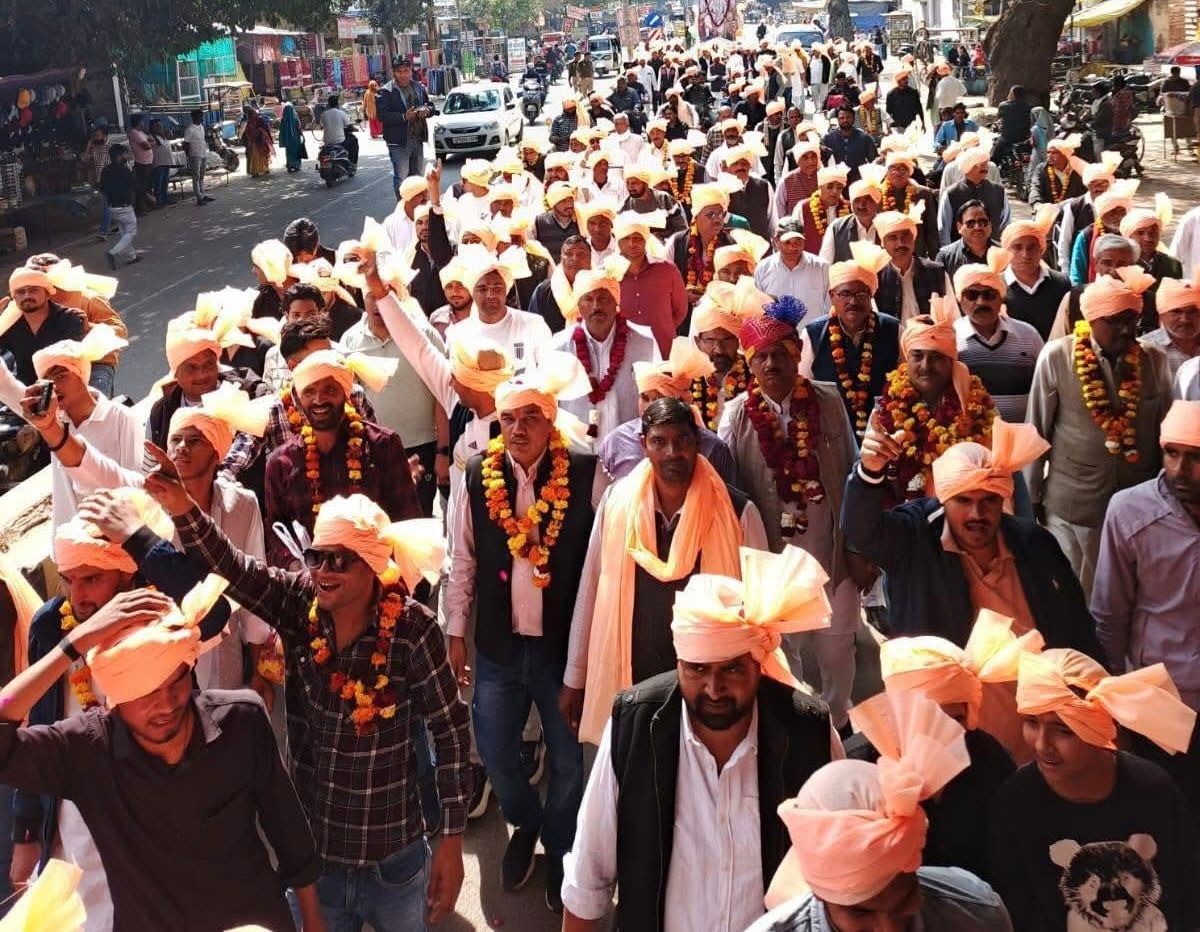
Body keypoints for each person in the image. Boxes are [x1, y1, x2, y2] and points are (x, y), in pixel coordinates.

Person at [150, 476, 471, 930]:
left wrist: (452, 840)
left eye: (338, 559)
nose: (322, 571)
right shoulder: (299, 603)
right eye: (316, 556)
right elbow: (234, 568)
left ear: (372, 566)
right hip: (315, 862)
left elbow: (450, 728)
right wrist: (184, 507)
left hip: (395, 858)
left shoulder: (413, 630)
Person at [0, 575, 325, 931]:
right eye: (145, 693)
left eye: (177, 682)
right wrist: (74, 644)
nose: (166, 704)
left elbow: (290, 833)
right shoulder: (86, 750)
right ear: (115, 698)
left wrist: (312, 921)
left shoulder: (241, 720)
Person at [563, 546, 838, 930]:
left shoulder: (810, 732)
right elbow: (587, 879)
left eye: (732, 669)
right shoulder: (635, 727)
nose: (714, 688)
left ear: (758, 665)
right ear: (678, 665)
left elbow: (844, 881)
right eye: (697, 669)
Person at [564, 396, 767, 745]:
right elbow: (592, 589)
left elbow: (764, 613)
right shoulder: (615, 503)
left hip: (711, 691)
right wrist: (575, 676)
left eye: (683, 440)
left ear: (698, 443)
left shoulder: (739, 512)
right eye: (659, 441)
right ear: (644, 446)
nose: (672, 452)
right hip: (632, 678)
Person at [845, 415, 1104, 661]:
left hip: (1032, 702)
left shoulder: (1034, 543)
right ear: (944, 499)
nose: (976, 514)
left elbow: (1077, 626)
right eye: (964, 500)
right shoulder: (915, 537)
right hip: (942, 705)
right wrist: (870, 472)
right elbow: (862, 530)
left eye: (989, 500)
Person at [753, 692, 1013, 932]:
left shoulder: (977, 916)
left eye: (904, 902)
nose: (889, 929)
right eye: (861, 913)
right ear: (820, 895)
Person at [718, 298, 861, 728]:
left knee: (838, 650)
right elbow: (728, 490)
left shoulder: (829, 400)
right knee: (785, 651)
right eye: (761, 356)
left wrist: (859, 547)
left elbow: (855, 473)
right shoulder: (736, 415)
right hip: (774, 560)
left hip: (831, 550)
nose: (771, 362)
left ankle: (836, 718)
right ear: (751, 366)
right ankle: (801, 727)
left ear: (798, 351)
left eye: (780, 351)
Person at [989, 649, 1199, 930]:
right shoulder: (1015, 802)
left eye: (1063, 730)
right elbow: (1016, 907)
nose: (1041, 744)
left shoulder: (1153, 789)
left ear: (1098, 728)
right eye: (1031, 722)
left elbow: (1186, 890)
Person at [1025, 270, 1174, 596]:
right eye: (1114, 321)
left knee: (1134, 592)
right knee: (1080, 595)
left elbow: (1167, 433)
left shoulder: (1154, 361)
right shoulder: (1057, 357)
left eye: (1131, 319)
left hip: (1139, 505)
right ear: (1090, 320)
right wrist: (1032, 496)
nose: (1125, 329)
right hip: (1075, 506)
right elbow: (1036, 430)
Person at [263, 348, 419, 567]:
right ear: (298, 398)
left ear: (346, 394)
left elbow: (407, 524)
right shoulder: (281, 463)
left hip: (376, 585)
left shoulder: (382, 446)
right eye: (310, 391)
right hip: (311, 586)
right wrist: (297, 566)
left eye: (329, 390)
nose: (319, 400)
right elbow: (276, 532)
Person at [1093, 400, 1200, 700]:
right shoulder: (1128, 512)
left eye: (1196, 457)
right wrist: (1110, 695)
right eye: (1172, 453)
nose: (1180, 470)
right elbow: (1109, 614)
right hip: (1156, 690)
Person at [339, 290, 443, 516]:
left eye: (384, 297)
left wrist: (444, 451)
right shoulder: (350, 341)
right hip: (374, 449)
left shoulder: (423, 335)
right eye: (370, 297)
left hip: (421, 444)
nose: (377, 305)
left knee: (419, 520)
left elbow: (442, 394)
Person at [548, 266, 659, 443]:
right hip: (577, 452)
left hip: (630, 447)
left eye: (604, 298)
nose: (596, 306)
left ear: (616, 302)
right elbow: (550, 405)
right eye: (588, 299)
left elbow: (657, 400)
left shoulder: (645, 343)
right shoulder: (558, 347)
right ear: (579, 305)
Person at [801, 241, 899, 438]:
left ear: (871, 295)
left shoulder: (893, 329)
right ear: (832, 296)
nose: (853, 302)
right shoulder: (813, 334)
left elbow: (905, 382)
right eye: (845, 294)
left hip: (884, 434)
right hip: (829, 434)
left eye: (861, 294)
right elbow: (802, 388)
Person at [953, 252, 1044, 423]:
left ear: (1001, 298)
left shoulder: (1028, 335)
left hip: (1023, 436)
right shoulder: (951, 338)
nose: (981, 302)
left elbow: (1046, 385)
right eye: (972, 295)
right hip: (971, 440)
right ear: (960, 299)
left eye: (989, 295)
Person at [615, 211, 688, 357]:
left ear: (645, 239)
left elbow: (680, 310)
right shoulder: (607, 274)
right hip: (621, 354)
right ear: (618, 241)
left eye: (637, 238)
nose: (632, 243)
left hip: (663, 351)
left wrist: (663, 329)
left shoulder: (667, 270)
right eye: (626, 238)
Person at [0, 265, 86, 385]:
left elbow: (66, 362)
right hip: (23, 393)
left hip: (63, 389)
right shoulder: (10, 324)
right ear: (14, 297)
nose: (27, 296)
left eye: (33, 290)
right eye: (20, 292)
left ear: (47, 293)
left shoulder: (70, 318)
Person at [1001, 205, 1073, 341]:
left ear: (1041, 249)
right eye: (1017, 247)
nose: (1025, 254)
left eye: (1032, 247)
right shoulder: (995, 286)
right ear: (1006, 250)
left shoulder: (1061, 283)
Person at [874, 207, 951, 323]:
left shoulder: (936, 271)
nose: (900, 243)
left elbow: (953, 315)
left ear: (914, 238)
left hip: (931, 338)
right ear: (883, 243)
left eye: (905, 235)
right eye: (893, 238)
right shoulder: (875, 277)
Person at [376, 57, 433, 199]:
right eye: (399, 71)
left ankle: (419, 208)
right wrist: (404, 117)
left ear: (411, 71)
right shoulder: (386, 91)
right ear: (394, 73)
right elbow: (382, 116)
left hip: (417, 138)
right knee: (402, 178)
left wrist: (427, 110)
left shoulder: (418, 87)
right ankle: (403, 209)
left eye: (406, 71)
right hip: (399, 142)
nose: (403, 74)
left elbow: (429, 104)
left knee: (418, 178)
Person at [753, 219, 830, 314]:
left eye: (797, 241)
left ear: (804, 240)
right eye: (787, 242)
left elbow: (830, 306)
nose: (792, 247)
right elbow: (757, 308)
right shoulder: (762, 269)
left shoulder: (822, 267)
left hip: (813, 329)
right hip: (777, 329)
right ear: (776, 242)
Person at [938, 151, 1010, 248]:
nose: (984, 167)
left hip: (992, 250)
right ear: (967, 167)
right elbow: (943, 226)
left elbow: (1006, 222)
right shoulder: (952, 193)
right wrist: (947, 252)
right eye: (980, 164)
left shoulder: (998, 191)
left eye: (985, 164)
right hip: (960, 251)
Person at [819, 163, 884, 264]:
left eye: (867, 200)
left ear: (877, 202)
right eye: (857, 200)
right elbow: (824, 264)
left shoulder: (886, 226)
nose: (861, 205)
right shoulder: (837, 228)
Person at [98, 145, 138, 269]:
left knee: (124, 230)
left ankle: (132, 256)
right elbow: (134, 185)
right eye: (125, 154)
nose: (127, 156)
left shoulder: (106, 170)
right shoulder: (124, 170)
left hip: (112, 206)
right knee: (131, 230)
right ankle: (113, 252)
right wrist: (149, 196)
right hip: (125, 205)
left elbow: (102, 188)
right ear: (120, 156)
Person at [937, 199, 999, 279]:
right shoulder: (945, 257)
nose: (977, 227)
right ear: (959, 227)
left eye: (982, 222)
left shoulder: (1004, 253)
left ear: (990, 225)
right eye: (970, 223)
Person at [81, 125, 113, 238]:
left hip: (109, 178)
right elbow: (85, 159)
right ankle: (108, 228)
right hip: (99, 179)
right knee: (108, 204)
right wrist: (89, 146)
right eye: (94, 136)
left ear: (104, 136)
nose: (96, 138)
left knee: (107, 205)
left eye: (98, 136)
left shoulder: (108, 146)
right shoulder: (94, 147)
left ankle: (104, 230)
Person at [183, 109, 215, 203]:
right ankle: (199, 197)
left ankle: (202, 194)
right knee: (196, 177)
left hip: (203, 153)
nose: (202, 118)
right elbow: (186, 144)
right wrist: (188, 157)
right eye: (201, 117)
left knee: (201, 176)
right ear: (195, 117)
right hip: (195, 155)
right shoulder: (189, 129)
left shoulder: (201, 126)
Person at [125, 113, 155, 212]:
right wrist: (151, 143)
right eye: (142, 121)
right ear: (138, 122)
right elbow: (146, 146)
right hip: (142, 162)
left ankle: (149, 205)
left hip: (148, 162)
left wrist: (150, 142)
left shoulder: (142, 132)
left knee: (148, 185)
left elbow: (151, 141)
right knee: (142, 186)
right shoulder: (134, 133)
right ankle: (141, 208)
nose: (143, 123)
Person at [318, 95, 357, 168]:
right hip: (340, 141)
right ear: (337, 104)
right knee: (354, 141)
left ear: (329, 104)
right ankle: (353, 164)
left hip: (327, 141)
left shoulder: (323, 114)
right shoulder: (341, 113)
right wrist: (355, 129)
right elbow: (350, 127)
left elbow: (322, 126)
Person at [885, 66, 924, 132]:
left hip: (912, 126)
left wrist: (923, 122)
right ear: (898, 81)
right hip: (898, 126)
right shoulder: (891, 94)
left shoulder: (913, 93)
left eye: (906, 78)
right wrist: (889, 127)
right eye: (903, 79)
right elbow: (888, 112)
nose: (906, 81)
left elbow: (919, 108)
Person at [241, 107, 273, 178]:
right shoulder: (259, 119)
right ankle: (265, 169)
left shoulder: (252, 121)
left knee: (255, 156)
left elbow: (247, 133)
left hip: (256, 141)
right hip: (260, 140)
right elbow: (266, 128)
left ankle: (256, 172)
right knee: (263, 154)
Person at [147, 119, 173, 209]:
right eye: (157, 126)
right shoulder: (151, 137)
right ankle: (157, 201)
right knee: (158, 184)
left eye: (160, 126)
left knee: (165, 183)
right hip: (158, 164)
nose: (160, 128)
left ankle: (164, 199)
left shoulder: (162, 137)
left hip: (165, 163)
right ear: (152, 128)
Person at [278, 101, 305, 173]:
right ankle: (296, 166)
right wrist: (301, 135)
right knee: (296, 152)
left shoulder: (283, 119)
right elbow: (299, 128)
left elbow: (281, 130)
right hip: (295, 138)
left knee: (289, 152)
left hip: (288, 139)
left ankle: (289, 165)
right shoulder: (295, 118)